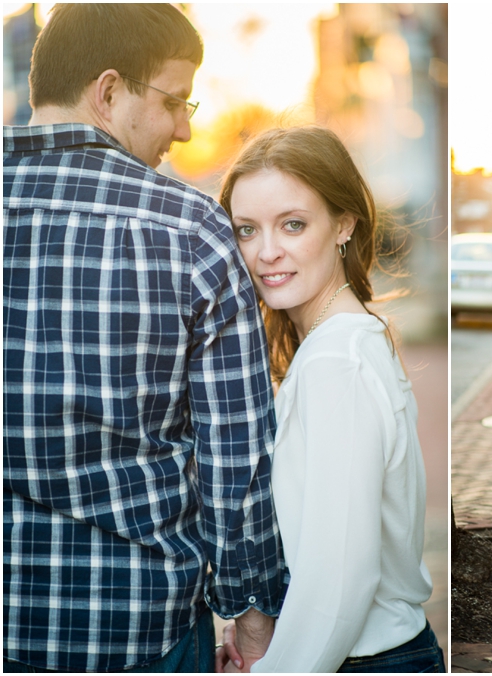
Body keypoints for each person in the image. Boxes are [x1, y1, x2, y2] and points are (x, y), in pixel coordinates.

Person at [3, 5, 283, 672]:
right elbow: (235, 462)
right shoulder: (192, 232)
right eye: (175, 101)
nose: (186, 129)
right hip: (143, 631)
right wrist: (251, 618)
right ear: (108, 92)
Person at [214, 126, 444, 673]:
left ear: (343, 224)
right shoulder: (341, 341)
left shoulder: (337, 361)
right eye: (247, 230)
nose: (267, 252)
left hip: (364, 658)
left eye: (293, 224)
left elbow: (340, 581)